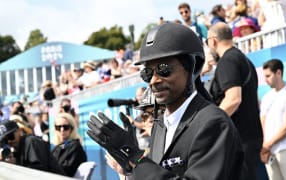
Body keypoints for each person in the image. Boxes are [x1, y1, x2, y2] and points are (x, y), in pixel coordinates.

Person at [87, 22, 243, 180]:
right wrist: (129, 171)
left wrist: (136, 158)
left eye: (163, 69)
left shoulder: (214, 123)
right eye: (147, 73)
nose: (154, 80)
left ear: (193, 68)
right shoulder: (160, 125)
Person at [207, 22, 263, 180]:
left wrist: (209, 125)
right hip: (250, 137)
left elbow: (233, 99)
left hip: (240, 140)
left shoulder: (228, 61)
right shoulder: (243, 59)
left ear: (213, 40)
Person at [0, 120, 65, 175]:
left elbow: (38, 172)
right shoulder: (16, 149)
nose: (9, 141)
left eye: (11, 137)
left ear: (19, 131)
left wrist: (15, 164)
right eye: (5, 140)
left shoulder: (31, 142)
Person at [260, 59, 286, 180]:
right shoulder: (266, 98)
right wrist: (265, 147)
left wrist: (268, 144)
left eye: (268, 76)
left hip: (285, 149)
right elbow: (263, 122)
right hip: (270, 152)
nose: (265, 80)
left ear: (278, 73)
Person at [51, 113, 87, 177]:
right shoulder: (57, 147)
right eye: (58, 127)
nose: (62, 130)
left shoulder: (75, 146)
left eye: (65, 127)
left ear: (71, 128)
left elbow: (65, 170)